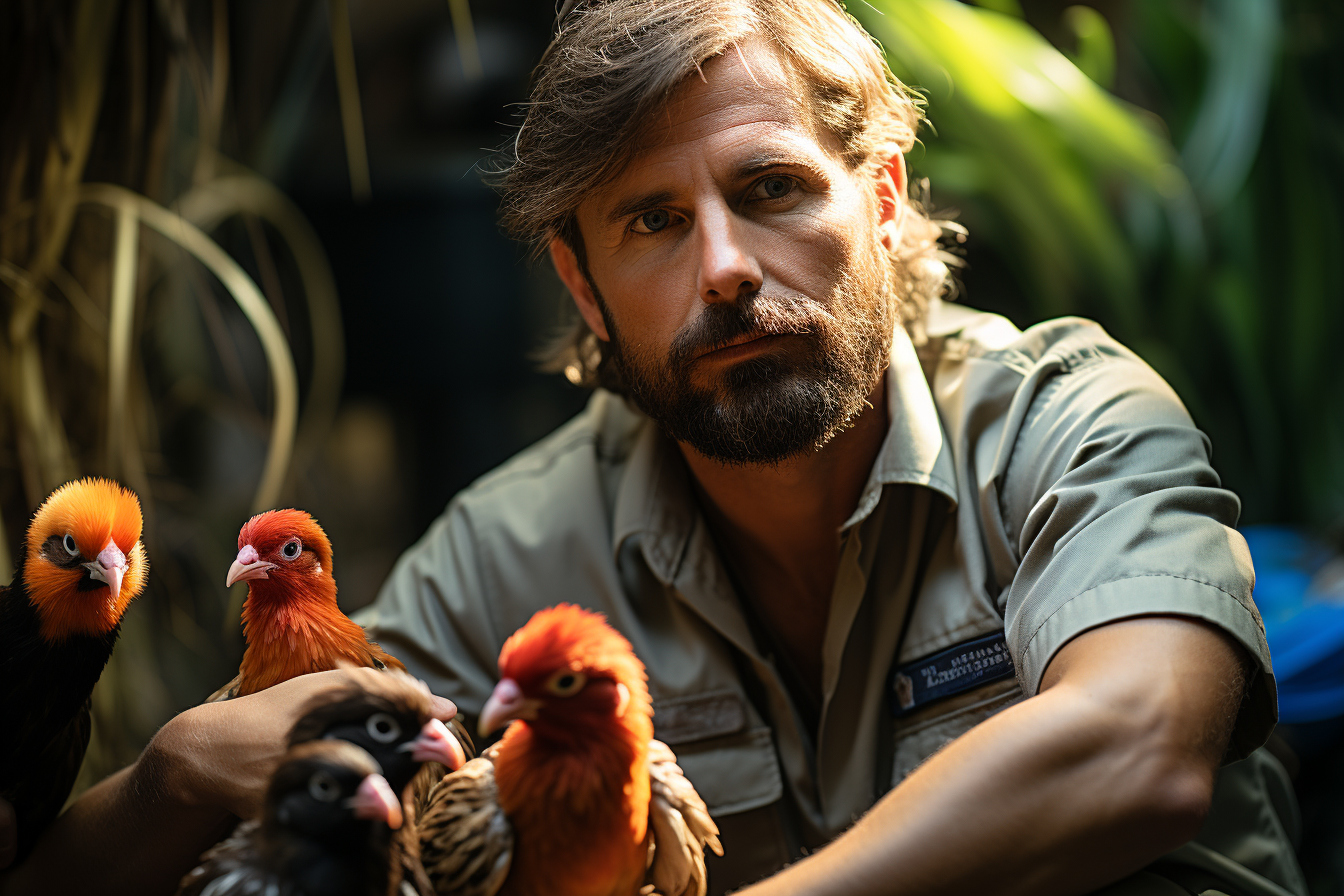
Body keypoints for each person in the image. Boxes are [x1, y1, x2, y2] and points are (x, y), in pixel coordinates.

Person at [0, 1, 1303, 895]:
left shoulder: (1065, 418)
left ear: (886, 198)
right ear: (580, 283)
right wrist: (173, 775)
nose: (727, 269)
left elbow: (1141, 740)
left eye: (772, 189)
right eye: (652, 223)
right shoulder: (510, 556)